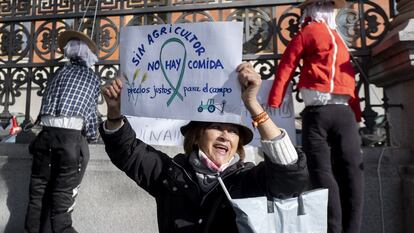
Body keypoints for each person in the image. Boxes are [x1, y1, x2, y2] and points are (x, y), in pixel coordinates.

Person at [99, 62, 309, 232]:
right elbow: (127, 151)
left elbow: (290, 174)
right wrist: (115, 112)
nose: (226, 136)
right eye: (217, 127)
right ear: (197, 136)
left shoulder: (247, 180)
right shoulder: (170, 173)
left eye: (234, 131)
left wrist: (253, 105)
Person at [267, 0, 364, 233]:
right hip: (343, 112)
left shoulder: (308, 32)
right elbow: (349, 77)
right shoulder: (338, 39)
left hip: (318, 113)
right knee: (352, 173)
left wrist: (274, 101)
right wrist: (357, 113)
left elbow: (286, 67)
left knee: (322, 174)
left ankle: (334, 228)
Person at [25, 30, 100, 233]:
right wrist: (93, 136)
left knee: (37, 195)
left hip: (46, 137)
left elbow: (43, 109)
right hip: (69, 142)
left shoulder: (58, 74)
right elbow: (90, 115)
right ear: (88, 55)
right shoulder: (91, 78)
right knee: (61, 201)